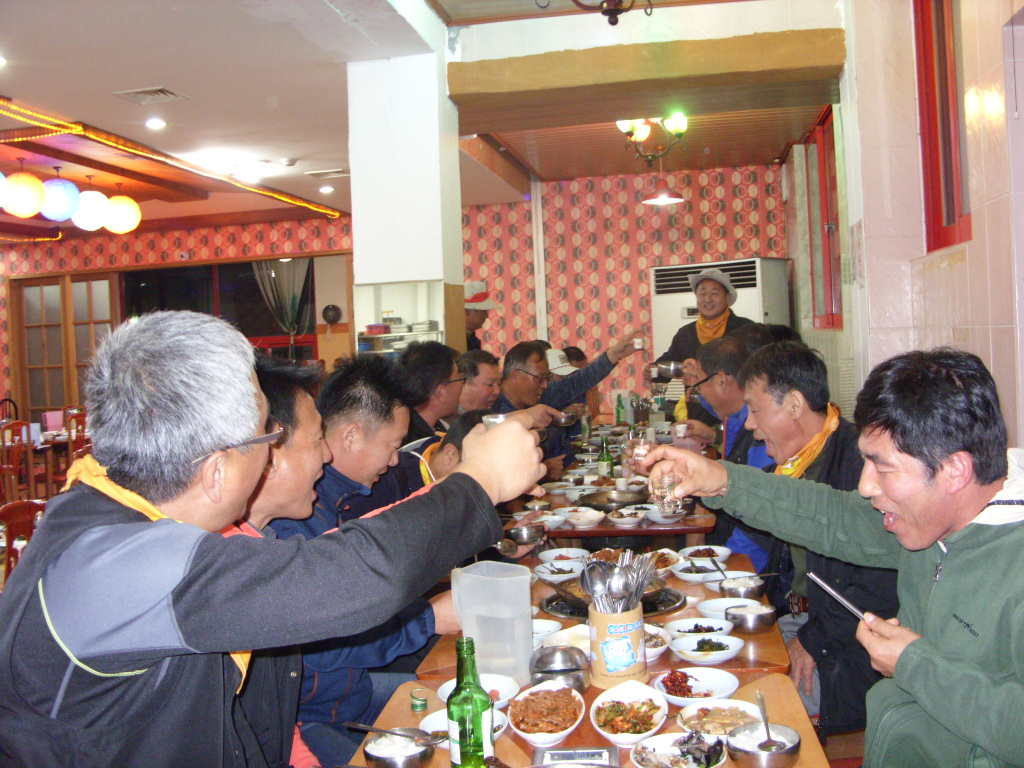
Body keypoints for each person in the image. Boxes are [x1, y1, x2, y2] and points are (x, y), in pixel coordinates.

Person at [0, 310, 544, 768]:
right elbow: (346, 576)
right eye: (267, 436)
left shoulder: (109, 515)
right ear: (216, 471)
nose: (278, 456)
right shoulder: (120, 569)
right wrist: (480, 481)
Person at [644, 348, 1021, 767]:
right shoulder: (934, 519)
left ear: (955, 471)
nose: (866, 486)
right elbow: (830, 516)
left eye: (883, 467)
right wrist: (720, 481)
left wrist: (915, 666)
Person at [737, 341, 898, 737]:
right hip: (801, 619)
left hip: (846, 647)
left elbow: (883, 586)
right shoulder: (798, 463)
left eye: (755, 410)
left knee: (749, 713)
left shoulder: (858, 465)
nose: (749, 425)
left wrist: (814, 639)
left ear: (794, 405)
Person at [228, 355, 330, 768]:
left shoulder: (263, 545)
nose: (328, 456)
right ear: (267, 453)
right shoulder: (222, 571)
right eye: (318, 440)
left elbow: (275, 723)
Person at [496, 333, 643, 475]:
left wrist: (615, 354)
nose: (545, 385)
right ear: (515, 376)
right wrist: (543, 469)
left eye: (547, 378)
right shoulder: (493, 410)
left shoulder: (539, 395)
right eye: (540, 378)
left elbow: (577, 382)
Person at [679, 337, 771, 564]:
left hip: (748, 558)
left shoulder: (761, 434)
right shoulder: (740, 413)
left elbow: (756, 526)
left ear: (721, 380)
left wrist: (726, 570)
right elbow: (718, 404)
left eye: (701, 383)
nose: (699, 392)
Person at [653, 267, 753, 385]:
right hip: (695, 397)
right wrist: (652, 370)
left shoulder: (747, 329)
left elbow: (757, 372)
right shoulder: (686, 333)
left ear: (727, 297)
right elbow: (667, 367)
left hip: (735, 396)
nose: (708, 299)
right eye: (702, 293)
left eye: (714, 293)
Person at [397, 341, 463, 444]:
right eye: (459, 380)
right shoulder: (413, 444)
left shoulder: (436, 427)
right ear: (440, 393)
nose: (461, 385)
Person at [464, 280, 499, 351]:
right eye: (483, 311)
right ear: (467, 311)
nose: (486, 316)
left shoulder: (473, 340)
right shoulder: (455, 339)